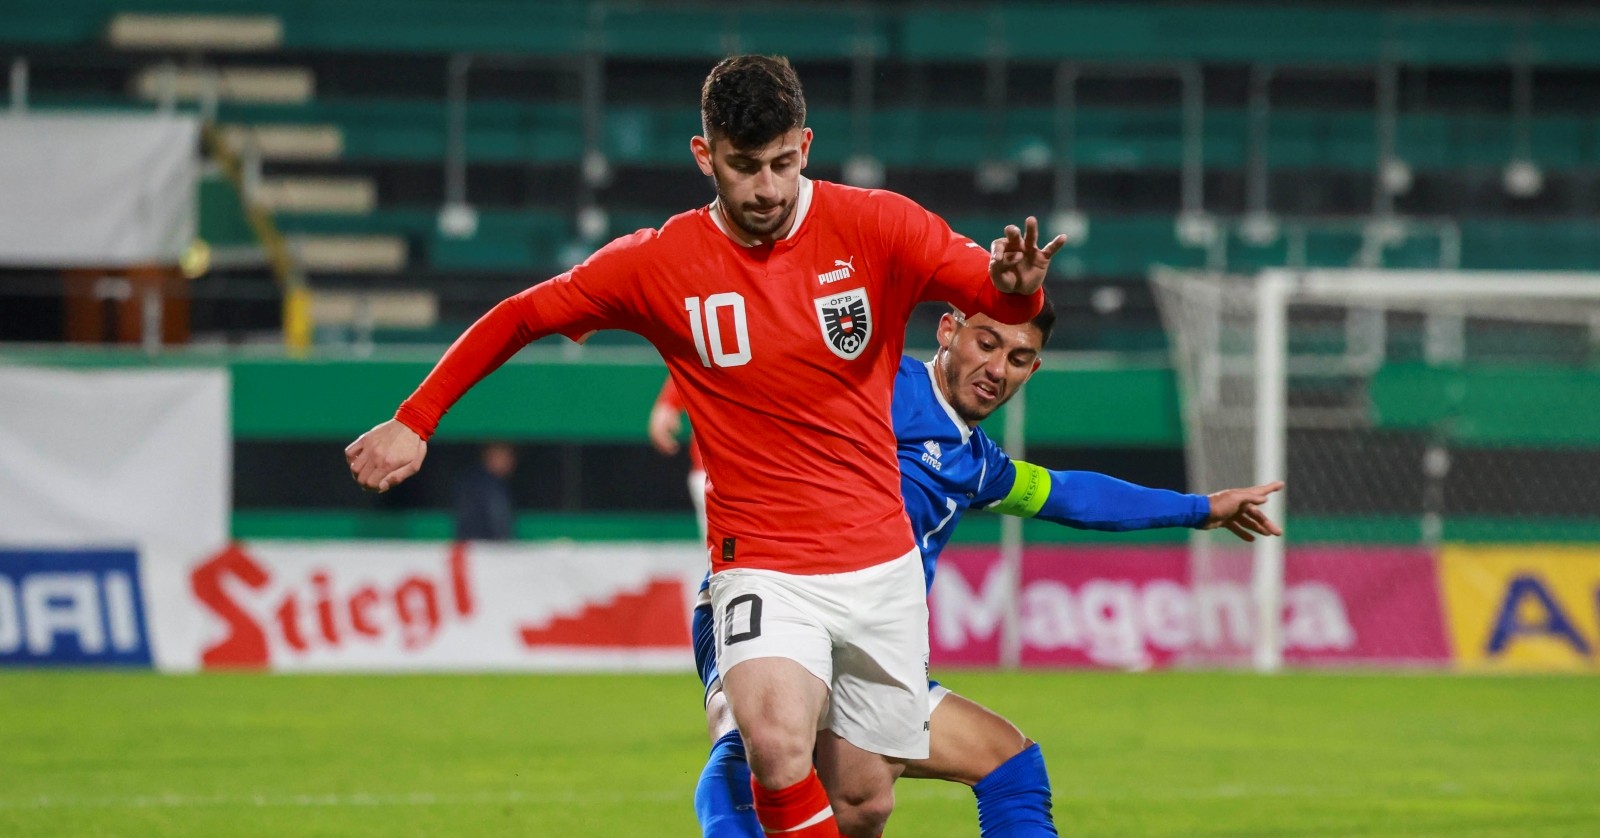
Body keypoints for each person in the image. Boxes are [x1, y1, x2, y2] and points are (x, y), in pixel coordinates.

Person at [346, 54, 1067, 837]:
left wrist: (1019, 288)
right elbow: (525, 314)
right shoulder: (658, 263)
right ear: (705, 155)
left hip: (878, 567)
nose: (767, 187)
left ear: (806, 145)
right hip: (760, 559)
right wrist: (416, 418)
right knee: (775, 745)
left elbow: (994, 294)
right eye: (745, 166)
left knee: (863, 800)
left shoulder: (877, 226)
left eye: (783, 163)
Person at [675, 299, 1284, 837]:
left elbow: (1068, 494)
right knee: (756, 747)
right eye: (987, 342)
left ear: (1033, 370)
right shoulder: (883, 388)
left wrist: (1199, 508)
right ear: (948, 331)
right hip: (770, 600)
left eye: (1019, 357)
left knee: (986, 770)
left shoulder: (975, 464)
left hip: (863, 646)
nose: (997, 368)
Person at [454, 442, 517, 541]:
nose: (510, 462)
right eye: (505, 457)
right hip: (483, 547)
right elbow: (497, 522)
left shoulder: (499, 484)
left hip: (478, 546)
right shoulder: (483, 485)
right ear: (490, 456)